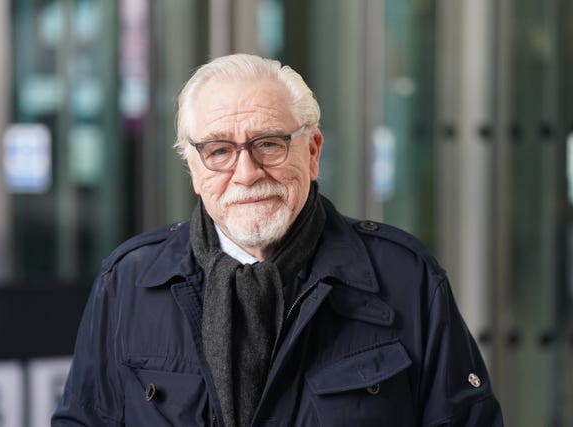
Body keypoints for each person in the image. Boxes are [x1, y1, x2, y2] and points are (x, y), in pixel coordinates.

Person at [52, 53, 503, 426]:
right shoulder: (128, 283)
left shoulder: (405, 277)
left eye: (269, 144)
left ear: (312, 152)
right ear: (193, 168)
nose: (246, 174)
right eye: (219, 151)